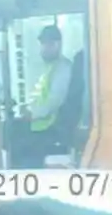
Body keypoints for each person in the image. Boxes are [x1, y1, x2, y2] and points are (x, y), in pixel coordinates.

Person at [10, 24, 75, 167]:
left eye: (46, 45)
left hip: (50, 130)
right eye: (42, 45)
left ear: (56, 45)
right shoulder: (51, 68)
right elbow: (41, 95)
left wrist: (32, 114)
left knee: (18, 150)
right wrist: (27, 108)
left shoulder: (63, 68)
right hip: (41, 127)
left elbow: (54, 100)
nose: (42, 49)